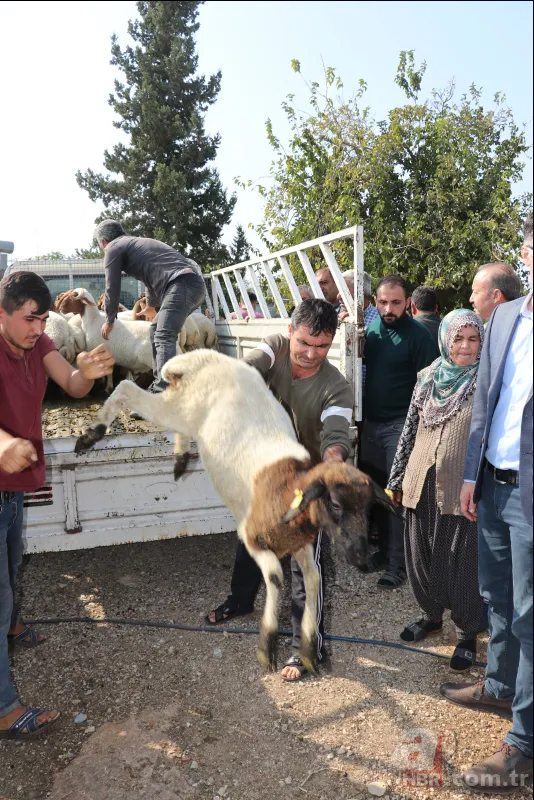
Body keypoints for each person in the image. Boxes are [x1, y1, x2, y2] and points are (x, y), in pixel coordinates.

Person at [205, 299, 353, 681]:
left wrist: (332, 463)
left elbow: (336, 435)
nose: (310, 353)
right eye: (304, 342)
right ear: (291, 332)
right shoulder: (275, 346)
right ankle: (240, 601)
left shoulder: (336, 387)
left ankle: (306, 648)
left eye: (322, 346)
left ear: (332, 342)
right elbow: (247, 368)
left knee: (307, 566)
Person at [0, 271, 114, 740]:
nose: (38, 328)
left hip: (13, 488)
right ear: (1, 312)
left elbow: (70, 383)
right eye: (29, 319)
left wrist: (86, 373)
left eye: (43, 318)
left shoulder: (38, 343)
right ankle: (5, 710)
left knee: (12, 564)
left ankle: (11, 630)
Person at [441, 214, 533, 792]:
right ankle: (500, 686)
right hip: (493, 485)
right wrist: (472, 476)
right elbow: (487, 406)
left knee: (531, 613)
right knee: (495, 594)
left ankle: (523, 743)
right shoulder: (502, 320)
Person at [387, 309, 486, 671]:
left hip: (461, 487)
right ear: (445, 339)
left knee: (462, 559)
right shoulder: (428, 377)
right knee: (422, 554)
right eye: (458, 338)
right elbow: (410, 430)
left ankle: (467, 633)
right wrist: (397, 479)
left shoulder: (487, 380)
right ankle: (431, 617)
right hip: (419, 480)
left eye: (473, 339)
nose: (465, 346)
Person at [361, 275, 438, 589]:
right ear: (376, 301)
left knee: (396, 497)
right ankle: (382, 552)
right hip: (369, 425)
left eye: (396, 302)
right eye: (383, 302)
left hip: (401, 428)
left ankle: (398, 565)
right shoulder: (369, 330)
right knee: (373, 493)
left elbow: (430, 387)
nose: (389, 308)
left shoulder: (419, 335)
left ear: (408, 302)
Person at [94, 219, 206, 394]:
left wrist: (109, 319)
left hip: (181, 284)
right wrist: (152, 305)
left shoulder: (113, 247)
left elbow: (112, 286)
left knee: (163, 335)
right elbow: (149, 280)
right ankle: (162, 384)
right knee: (155, 330)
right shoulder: (136, 244)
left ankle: (162, 390)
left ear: (104, 242)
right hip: (191, 285)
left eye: (101, 246)